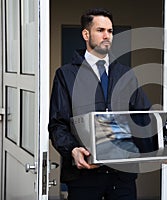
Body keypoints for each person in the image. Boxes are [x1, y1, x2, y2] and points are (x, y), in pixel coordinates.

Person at [48, 8, 151, 200]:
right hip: (83, 174)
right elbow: (57, 124)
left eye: (110, 31)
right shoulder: (66, 75)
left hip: (122, 174)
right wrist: (73, 150)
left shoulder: (126, 75)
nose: (107, 36)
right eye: (101, 30)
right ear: (86, 34)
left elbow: (143, 116)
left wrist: (157, 146)